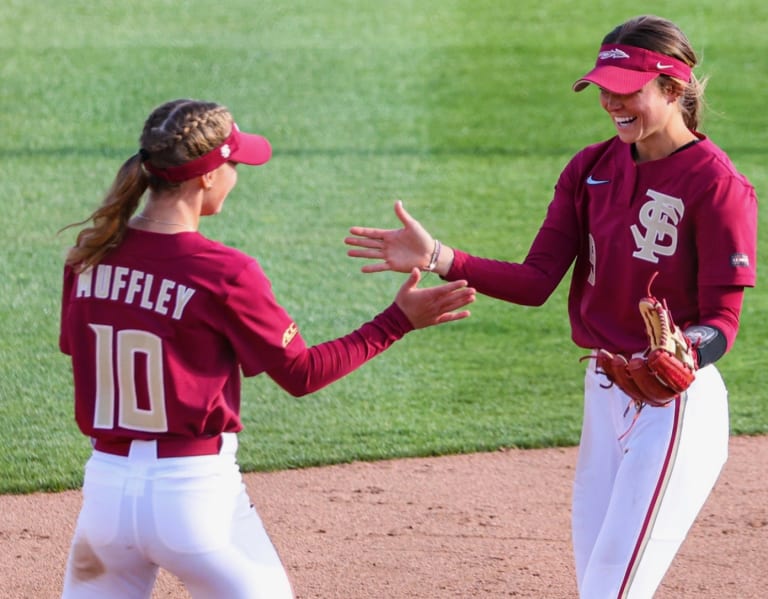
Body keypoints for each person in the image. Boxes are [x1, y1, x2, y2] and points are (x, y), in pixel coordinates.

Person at [345, 15, 757, 598]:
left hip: (673, 402)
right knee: (598, 584)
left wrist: (685, 347)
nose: (612, 102)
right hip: (604, 394)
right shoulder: (590, 168)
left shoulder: (716, 185)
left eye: (628, 89)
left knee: (610, 590)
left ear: (671, 88)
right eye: (604, 89)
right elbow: (537, 280)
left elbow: (723, 321)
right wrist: (439, 255)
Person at [58, 98, 476, 599]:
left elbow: (79, 351)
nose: (237, 175)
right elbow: (301, 374)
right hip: (194, 496)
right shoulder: (222, 271)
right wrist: (396, 322)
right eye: (233, 164)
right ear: (208, 176)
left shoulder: (88, 257)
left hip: (104, 497)